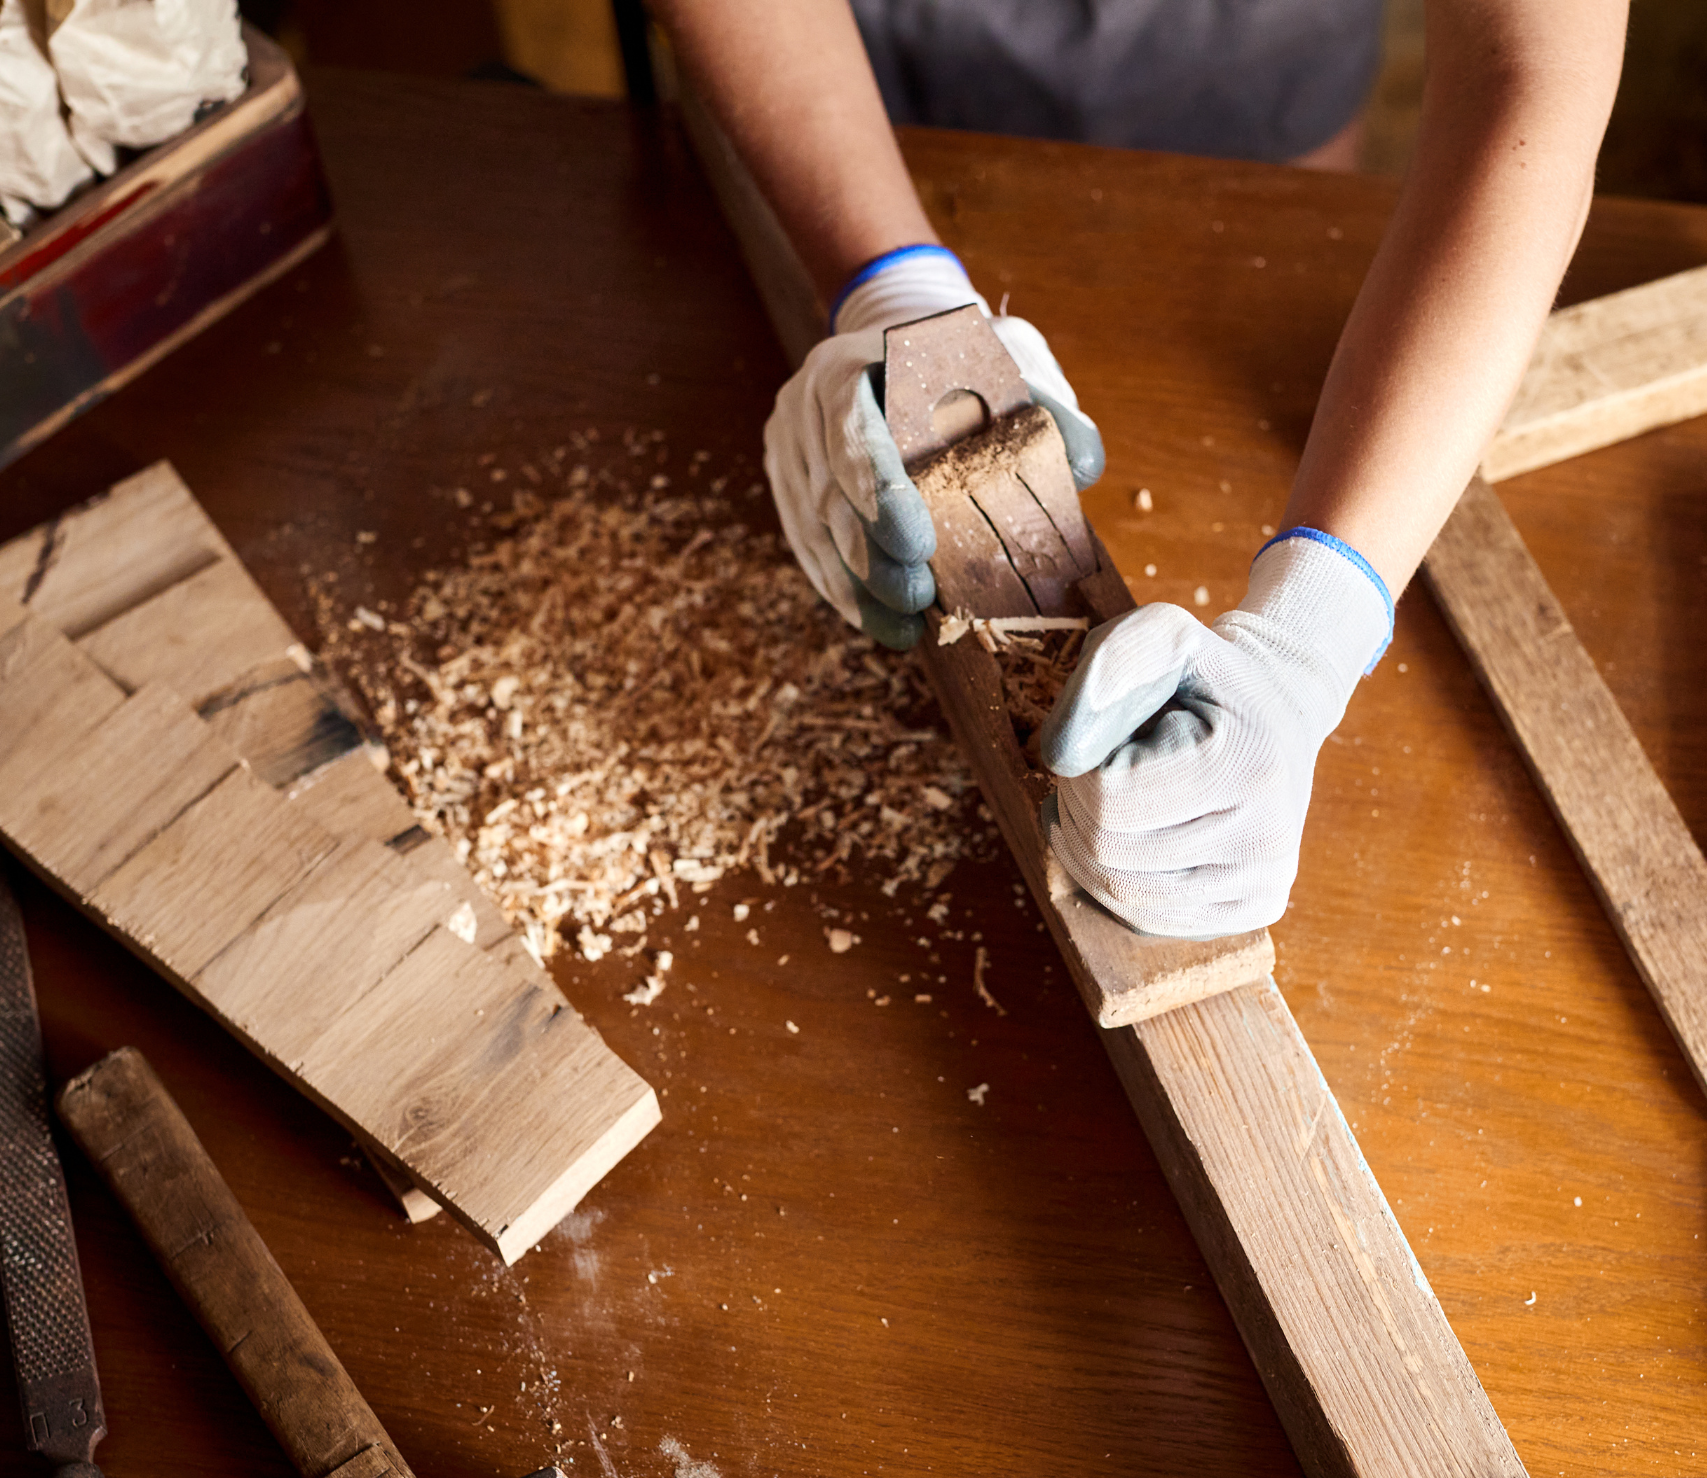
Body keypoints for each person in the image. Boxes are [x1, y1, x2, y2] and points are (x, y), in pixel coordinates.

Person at [656, 0, 1629, 939]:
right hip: (850, 82)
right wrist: (889, 286)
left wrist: (1313, 630)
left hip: (1248, 67)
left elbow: (1531, 71)